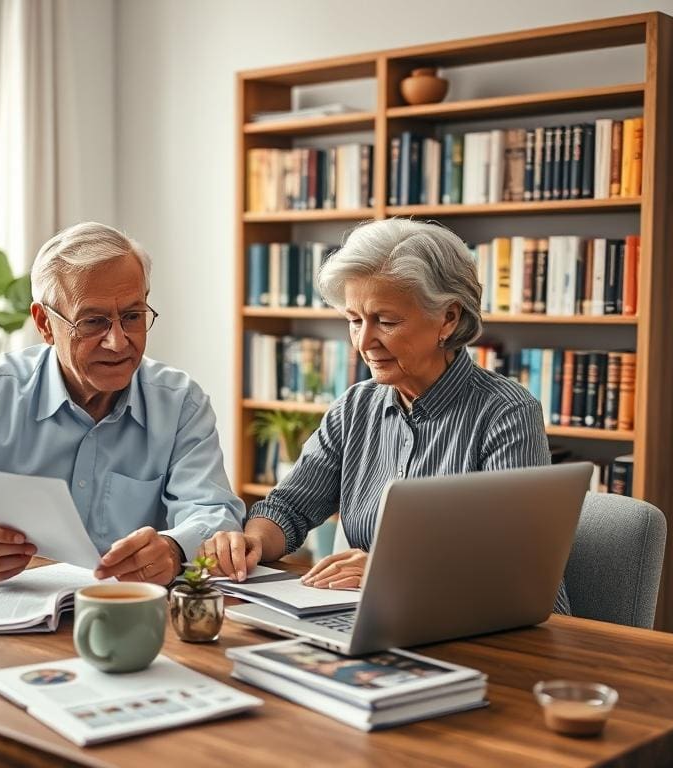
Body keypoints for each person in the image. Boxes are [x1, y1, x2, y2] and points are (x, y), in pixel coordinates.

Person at [203, 218, 570, 614]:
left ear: (448, 318)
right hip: (383, 617)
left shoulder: (506, 412)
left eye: (387, 321)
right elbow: (289, 508)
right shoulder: (355, 407)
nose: (363, 342)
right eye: (354, 320)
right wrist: (254, 539)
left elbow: (511, 566)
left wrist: (389, 571)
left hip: (494, 626)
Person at [0, 222, 244, 586]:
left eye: (132, 316)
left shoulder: (180, 402)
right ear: (44, 323)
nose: (119, 342)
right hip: (14, 615)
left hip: (131, 612)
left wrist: (172, 548)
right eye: (93, 322)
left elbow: (215, 513)